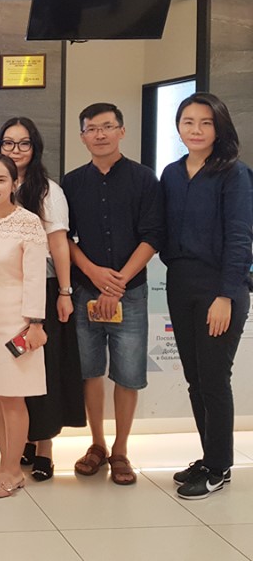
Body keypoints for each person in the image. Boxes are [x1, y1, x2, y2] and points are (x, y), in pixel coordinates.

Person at [62, 103, 163, 485]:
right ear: (82, 136)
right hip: (85, 290)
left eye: (107, 127)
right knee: (89, 372)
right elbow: (64, 238)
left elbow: (153, 236)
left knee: (128, 374)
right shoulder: (72, 183)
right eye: (92, 128)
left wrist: (117, 283)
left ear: (122, 131)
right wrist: (93, 273)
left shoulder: (144, 179)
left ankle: (121, 450)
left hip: (130, 292)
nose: (100, 134)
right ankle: (98, 444)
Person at [160, 93, 252, 500]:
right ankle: (210, 456)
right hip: (181, 284)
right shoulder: (172, 173)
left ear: (219, 127)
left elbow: (240, 238)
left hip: (220, 288)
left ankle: (219, 467)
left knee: (214, 379)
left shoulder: (234, 173)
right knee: (195, 380)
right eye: (188, 122)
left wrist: (227, 295)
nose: (195, 130)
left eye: (205, 122)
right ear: (178, 127)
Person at [0, 117, 85, 481]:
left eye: (23, 143)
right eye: (8, 143)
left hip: (40, 291)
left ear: (35, 147)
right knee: (7, 381)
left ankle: (43, 447)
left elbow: (59, 244)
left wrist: (64, 291)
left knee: (39, 373)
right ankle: (16, 449)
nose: (16, 150)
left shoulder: (47, 191)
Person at [0, 154, 48, 498]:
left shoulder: (28, 223)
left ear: (15, 183)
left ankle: (15, 471)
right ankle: (5, 463)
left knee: (13, 397)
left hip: (17, 324)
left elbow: (35, 277)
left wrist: (35, 323)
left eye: (1, 180)